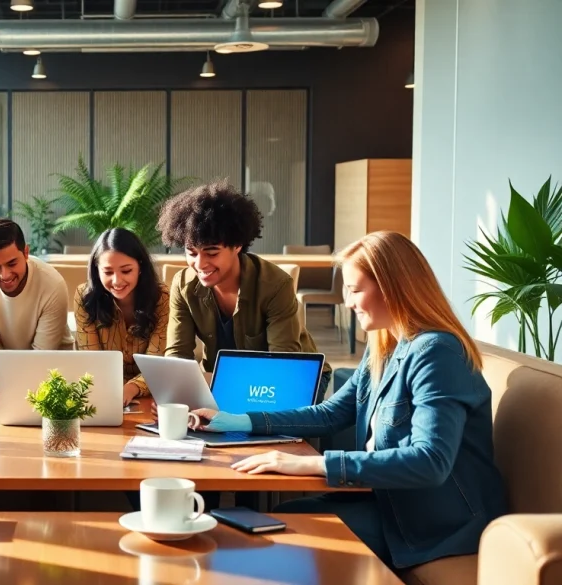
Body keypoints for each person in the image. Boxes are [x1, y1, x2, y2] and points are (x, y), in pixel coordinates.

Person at [189, 231, 508, 570]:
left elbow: (430, 461)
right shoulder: (386, 345)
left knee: (280, 534)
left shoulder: (436, 353)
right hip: (388, 504)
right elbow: (331, 414)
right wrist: (240, 419)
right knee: (279, 519)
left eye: (355, 290)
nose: (349, 303)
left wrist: (313, 463)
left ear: (393, 287)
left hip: (436, 523)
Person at [157, 181, 332, 389]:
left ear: (237, 245)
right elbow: (178, 355)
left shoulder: (275, 285)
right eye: (191, 253)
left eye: (212, 253)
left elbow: (283, 366)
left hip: (295, 380)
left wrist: (213, 381)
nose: (200, 264)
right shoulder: (183, 285)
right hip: (222, 382)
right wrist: (176, 393)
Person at [74, 228, 169, 406]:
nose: (117, 281)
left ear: (140, 267)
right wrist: (112, 392)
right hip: (104, 392)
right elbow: (93, 361)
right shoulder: (84, 297)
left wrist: (130, 389)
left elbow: (157, 364)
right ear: (97, 270)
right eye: (108, 272)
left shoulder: (162, 297)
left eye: (126, 271)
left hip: (153, 396)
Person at [0, 218, 74, 355]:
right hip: (2, 365)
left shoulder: (52, 284)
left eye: (12, 264)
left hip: (55, 365)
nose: (4, 275)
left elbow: (41, 355)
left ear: (26, 253)